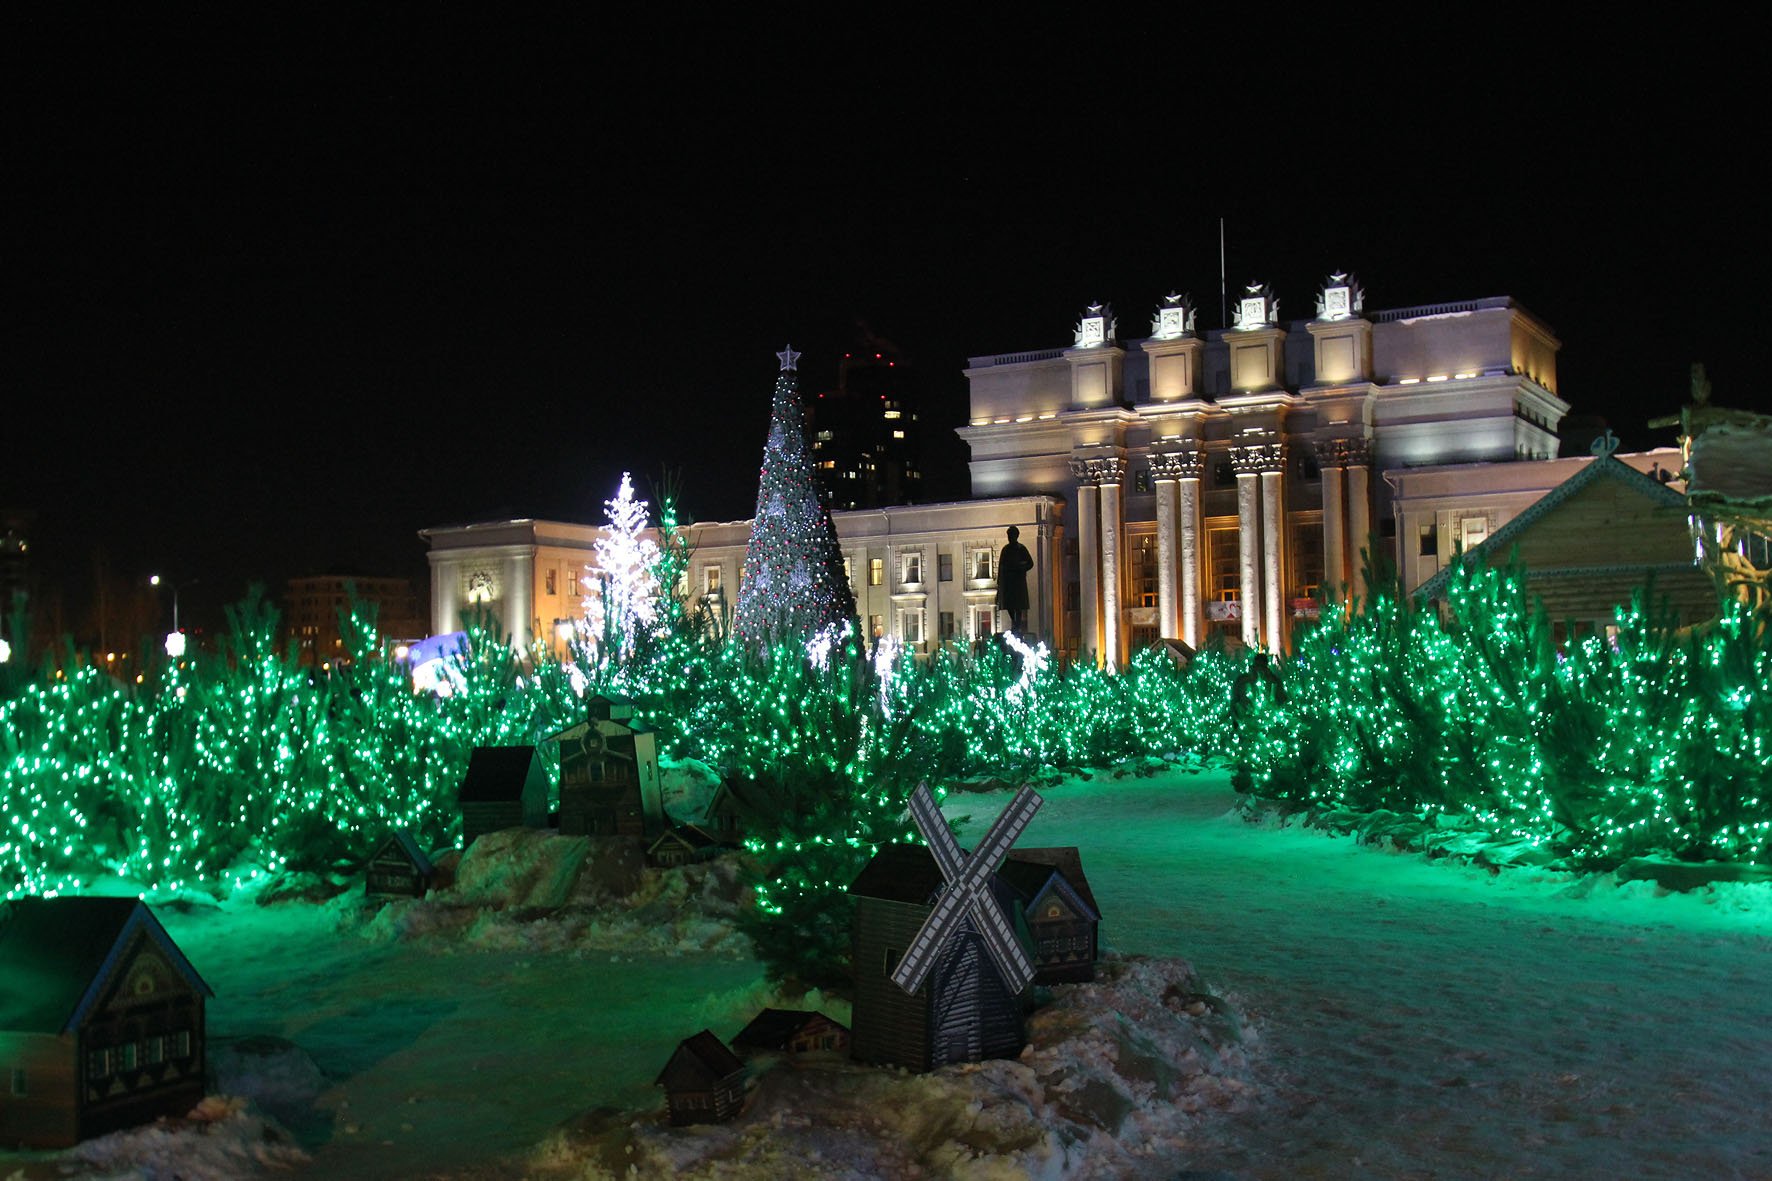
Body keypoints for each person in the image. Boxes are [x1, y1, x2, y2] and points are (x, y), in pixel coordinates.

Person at [995, 525, 1033, 634]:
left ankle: (1017, 625)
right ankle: (1015, 623)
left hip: (1018, 581)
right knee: (1009, 604)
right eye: (1009, 535)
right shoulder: (1006, 550)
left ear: (1016, 536)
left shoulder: (1021, 549)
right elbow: (1001, 566)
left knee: (1019, 605)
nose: (1010, 537)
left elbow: (1030, 563)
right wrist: (1000, 582)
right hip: (1008, 582)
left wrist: (1021, 568)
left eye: (1011, 535)